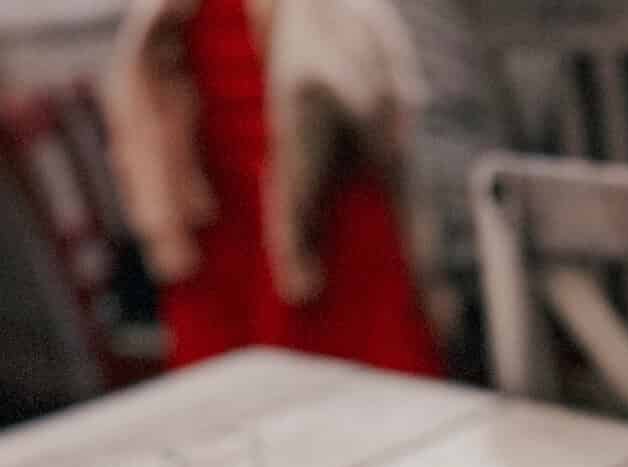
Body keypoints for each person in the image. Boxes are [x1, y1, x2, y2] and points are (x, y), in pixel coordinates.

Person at [104, 0, 491, 375]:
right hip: (222, 227)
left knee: (364, 381)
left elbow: (386, 102)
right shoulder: (165, 17)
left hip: (325, 223)